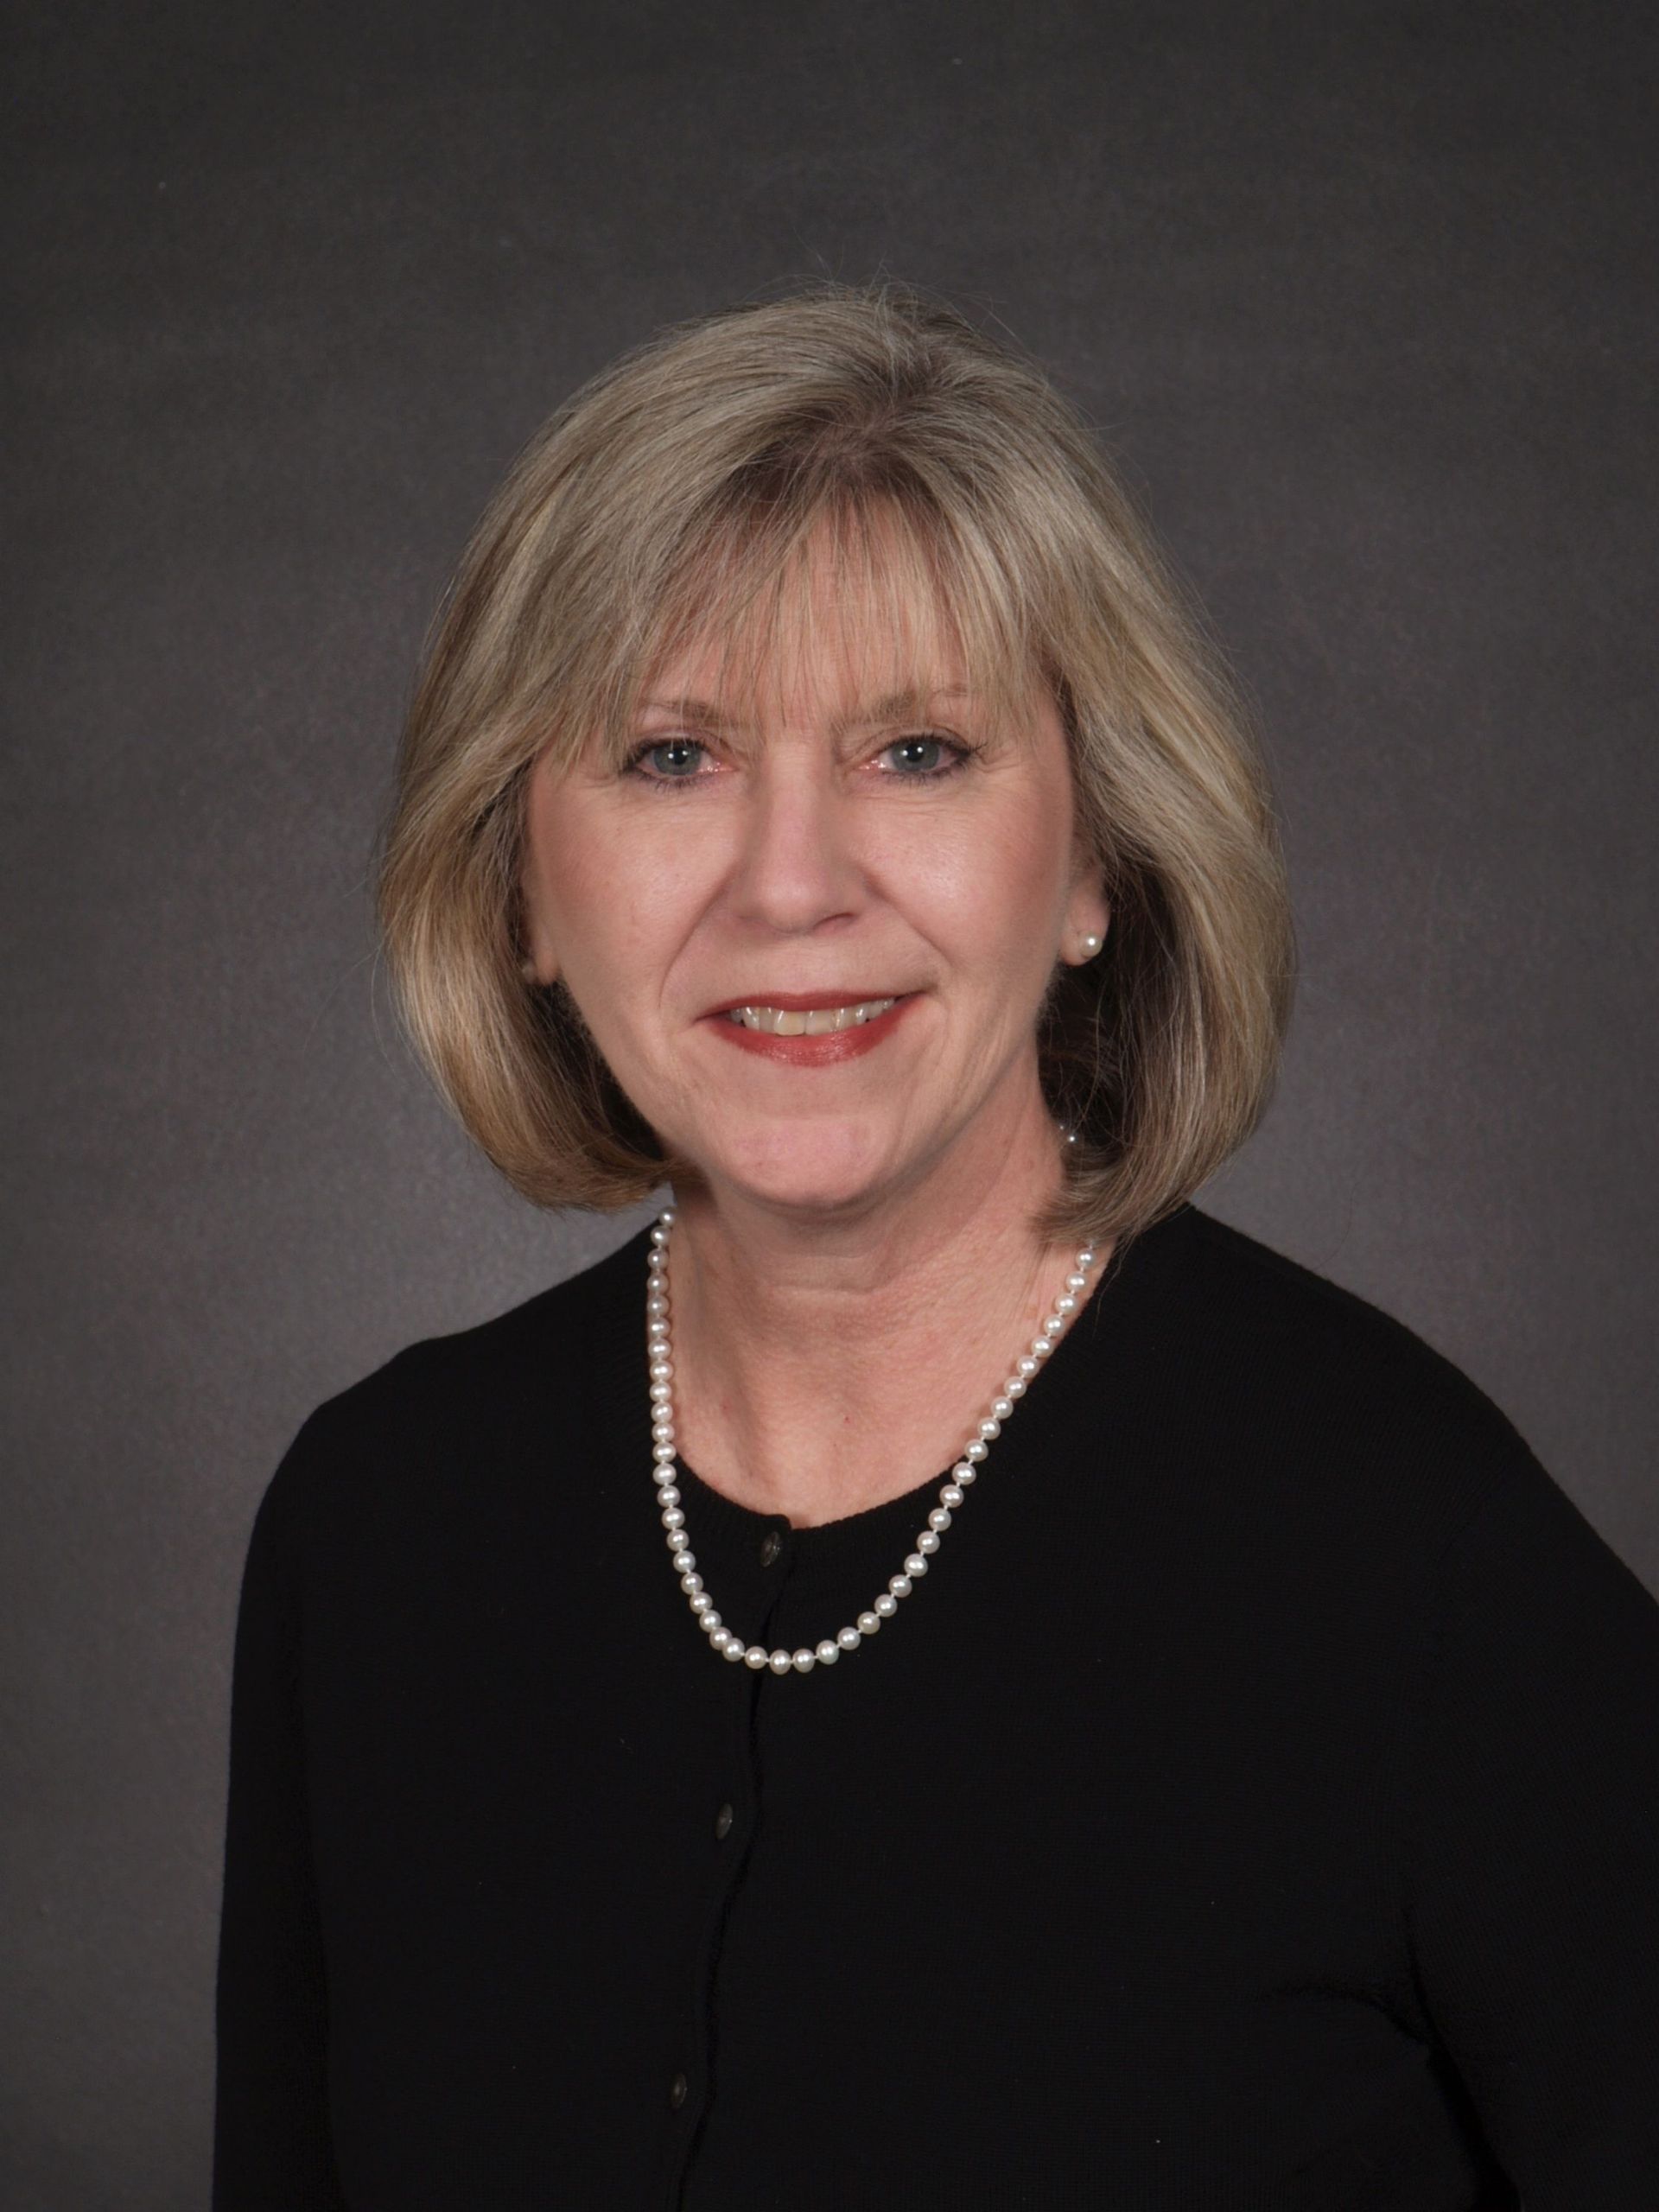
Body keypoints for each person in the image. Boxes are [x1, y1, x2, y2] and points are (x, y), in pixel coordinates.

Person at [212, 282, 1659, 2209]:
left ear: (1090, 864)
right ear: (520, 890)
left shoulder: (1418, 1560)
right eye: (671, 756)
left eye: (915, 752)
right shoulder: (377, 1530)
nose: (793, 882)